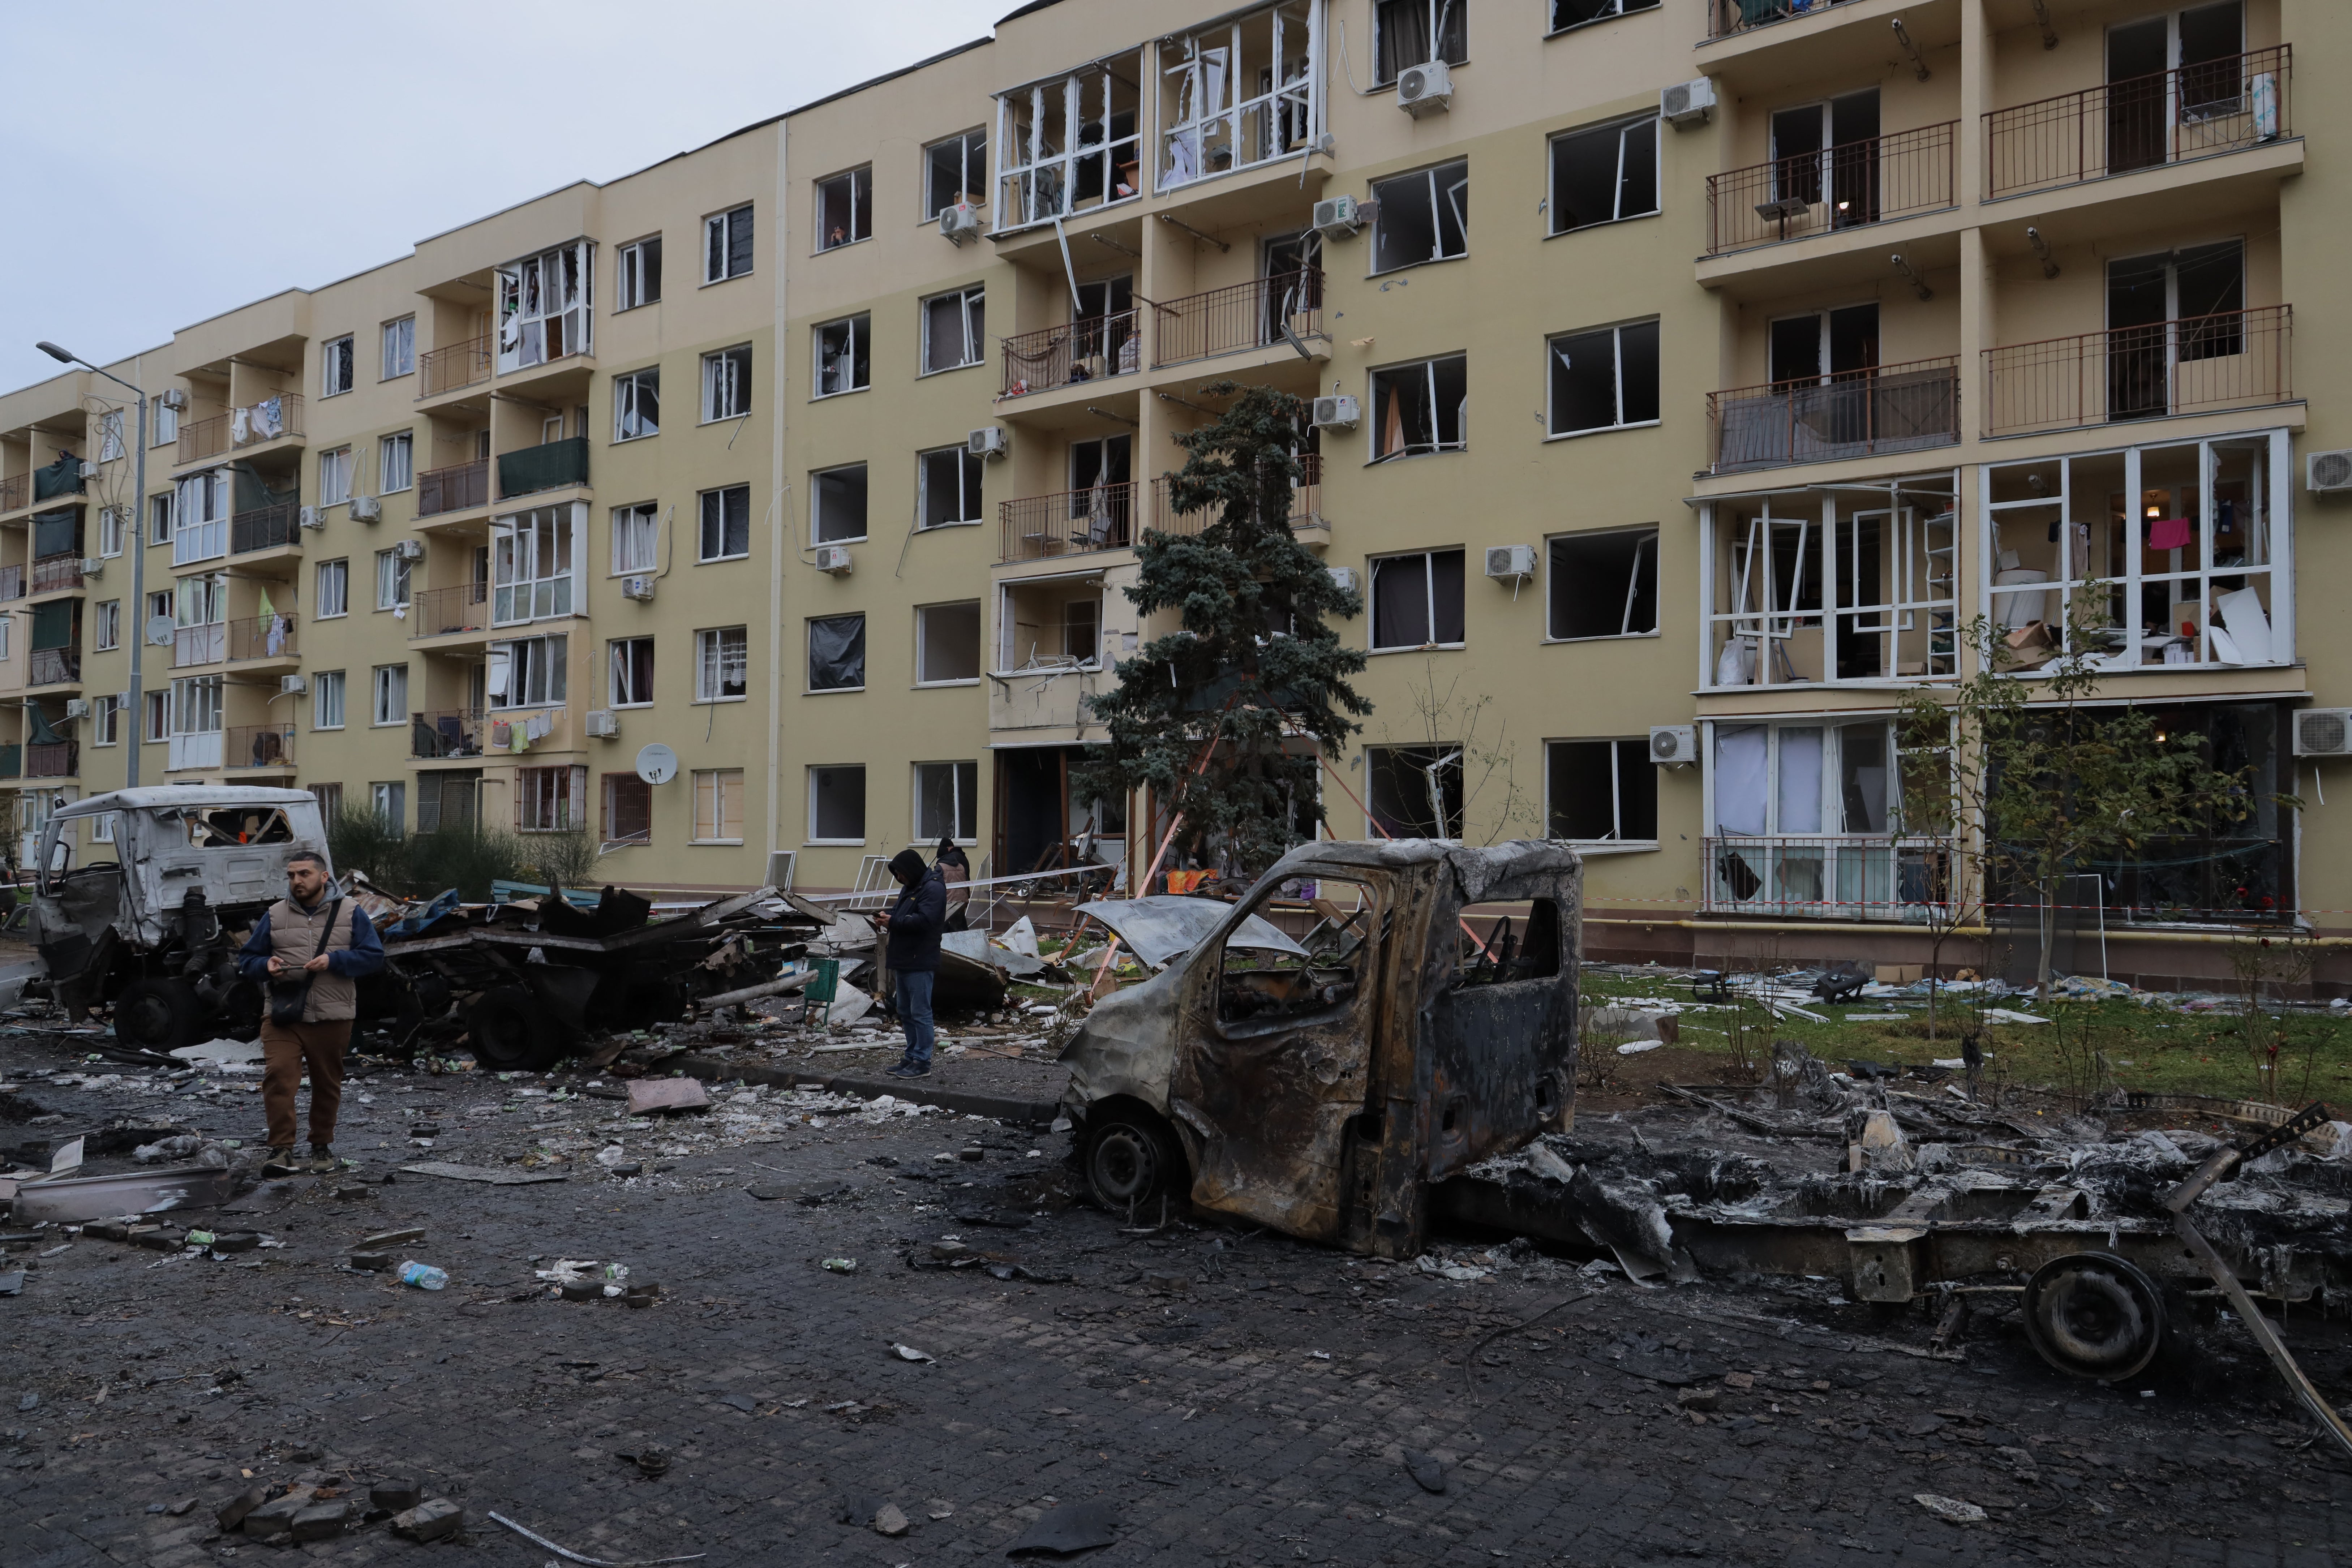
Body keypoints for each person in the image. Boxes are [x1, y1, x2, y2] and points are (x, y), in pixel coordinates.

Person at [235, 851, 385, 1170]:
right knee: (278, 1077)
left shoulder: (351, 912)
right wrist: (267, 965)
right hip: (283, 1013)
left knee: (327, 1083)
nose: (296, 881)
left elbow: (374, 957)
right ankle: (281, 1150)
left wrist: (335, 960)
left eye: (304, 874)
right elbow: (247, 961)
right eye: (291, 875)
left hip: (333, 1015)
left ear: (324, 876)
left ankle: (321, 1147)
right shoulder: (275, 915)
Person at [873, 847, 945, 1079]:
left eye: (900, 874)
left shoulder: (932, 888)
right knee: (905, 1010)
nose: (899, 879)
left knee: (920, 1012)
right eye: (896, 875)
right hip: (905, 958)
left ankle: (922, 1062)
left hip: (920, 959)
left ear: (911, 870)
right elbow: (903, 913)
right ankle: (911, 1056)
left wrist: (893, 922)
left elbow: (925, 921)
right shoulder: (912, 886)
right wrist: (887, 917)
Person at [935, 836, 971, 933]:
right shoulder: (961, 857)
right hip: (962, 895)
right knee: (960, 924)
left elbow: (939, 882)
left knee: (952, 926)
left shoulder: (950, 861)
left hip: (950, 898)